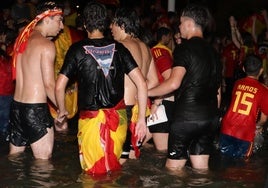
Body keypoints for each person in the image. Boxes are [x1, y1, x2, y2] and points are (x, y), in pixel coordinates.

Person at [55, 1, 148, 175]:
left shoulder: (76, 50)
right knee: (113, 170)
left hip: (91, 121)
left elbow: (59, 85)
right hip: (118, 121)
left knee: (93, 174)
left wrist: (62, 110)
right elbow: (142, 83)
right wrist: (141, 118)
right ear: (106, 24)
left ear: (84, 25)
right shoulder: (119, 49)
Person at [148, 4, 222, 170]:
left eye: (181, 23)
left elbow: (174, 83)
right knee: (201, 168)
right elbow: (218, 91)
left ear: (189, 24)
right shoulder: (214, 53)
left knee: (173, 170)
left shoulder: (184, 49)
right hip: (210, 118)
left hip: (186, 118)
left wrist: (147, 92)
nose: (179, 27)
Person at [9, 1, 64, 159]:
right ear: (47, 20)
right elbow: (48, 84)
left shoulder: (21, 39)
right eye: (59, 20)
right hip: (35, 109)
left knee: (15, 157)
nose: (61, 27)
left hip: (16, 107)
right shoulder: (46, 45)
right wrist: (62, 109)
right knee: (43, 163)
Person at [110, 7, 159, 163]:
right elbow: (154, 81)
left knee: (116, 160)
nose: (110, 28)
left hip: (123, 109)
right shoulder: (145, 47)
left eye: (113, 24)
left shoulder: (120, 47)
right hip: (140, 110)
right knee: (131, 158)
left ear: (122, 25)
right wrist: (140, 92)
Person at [219, 54, 268, 158]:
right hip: (245, 132)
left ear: (244, 68)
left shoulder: (237, 83)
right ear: (261, 70)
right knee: (242, 164)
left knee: (224, 158)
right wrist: (258, 127)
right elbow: (264, 118)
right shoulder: (263, 90)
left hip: (227, 127)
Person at [146, 27, 175, 152]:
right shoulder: (159, 51)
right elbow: (168, 78)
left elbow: (168, 78)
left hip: (160, 103)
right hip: (160, 103)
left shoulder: (158, 52)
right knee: (161, 150)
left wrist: (156, 101)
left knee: (160, 150)